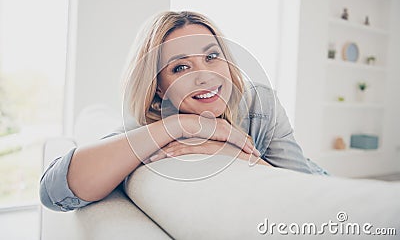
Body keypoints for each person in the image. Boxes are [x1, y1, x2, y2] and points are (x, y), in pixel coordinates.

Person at [40, 11, 329, 212]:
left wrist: (236, 155)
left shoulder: (259, 103)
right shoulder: (148, 126)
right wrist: (180, 127)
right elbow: (53, 191)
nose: (205, 76)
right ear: (159, 89)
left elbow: (309, 192)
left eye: (211, 57)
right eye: (181, 67)